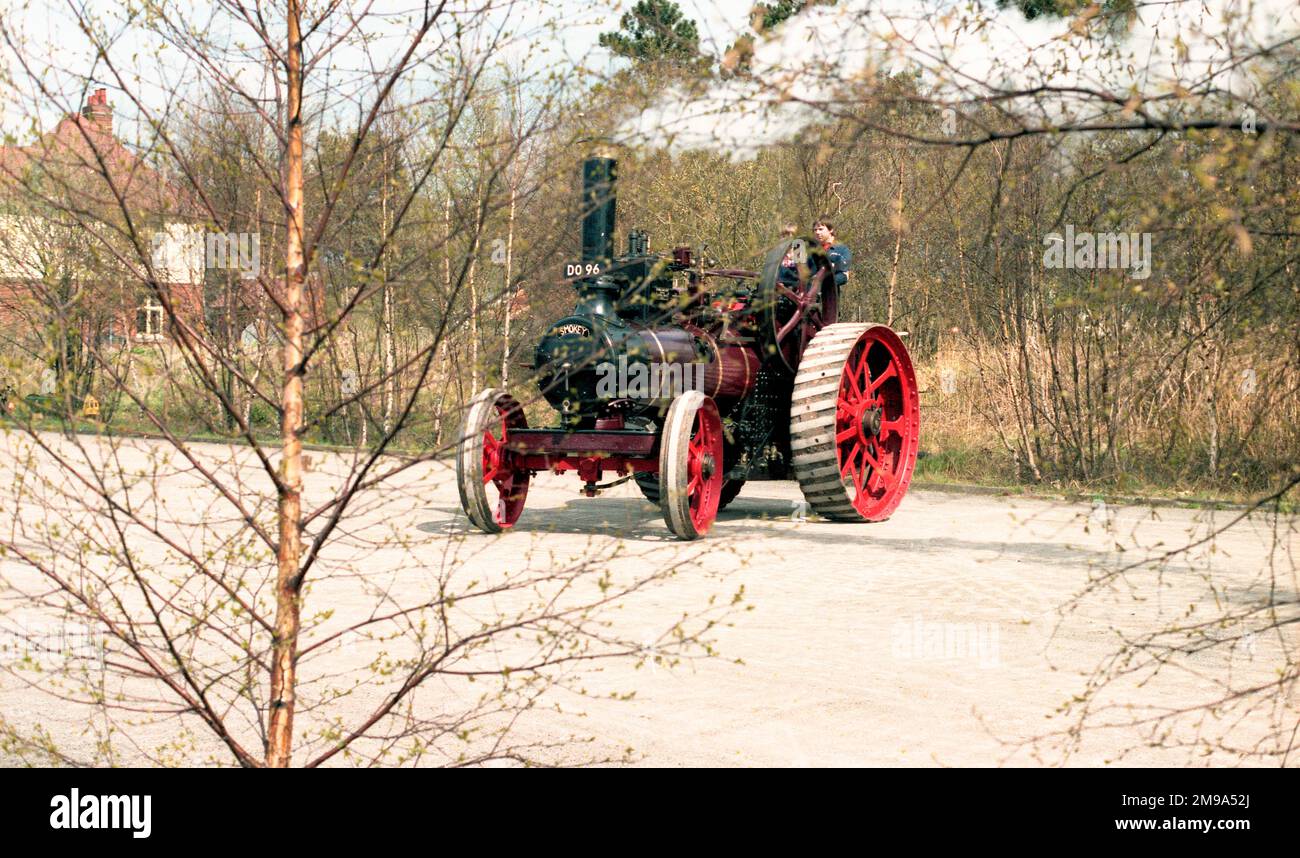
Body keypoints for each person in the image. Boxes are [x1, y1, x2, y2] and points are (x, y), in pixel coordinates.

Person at [812, 218, 852, 288]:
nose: (817, 232)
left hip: (828, 296)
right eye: (815, 230)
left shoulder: (841, 249)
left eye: (820, 229)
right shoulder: (811, 249)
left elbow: (844, 276)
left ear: (830, 230)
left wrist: (823, 281)